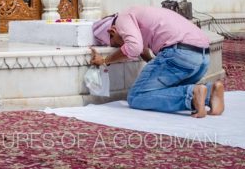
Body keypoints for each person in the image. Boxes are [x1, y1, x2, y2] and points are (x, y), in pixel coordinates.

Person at [90, 6, 225, 117]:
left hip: (180, 54)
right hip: (202, 57)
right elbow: (141, 50)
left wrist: (104, 60)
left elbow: (134, 48)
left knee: (137, 97)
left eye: (115, 44)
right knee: (166, 89)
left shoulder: (122, 19)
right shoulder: (139, 13)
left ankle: (192, 94)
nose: (120, 47)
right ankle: (210, 92)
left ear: (111, 31)